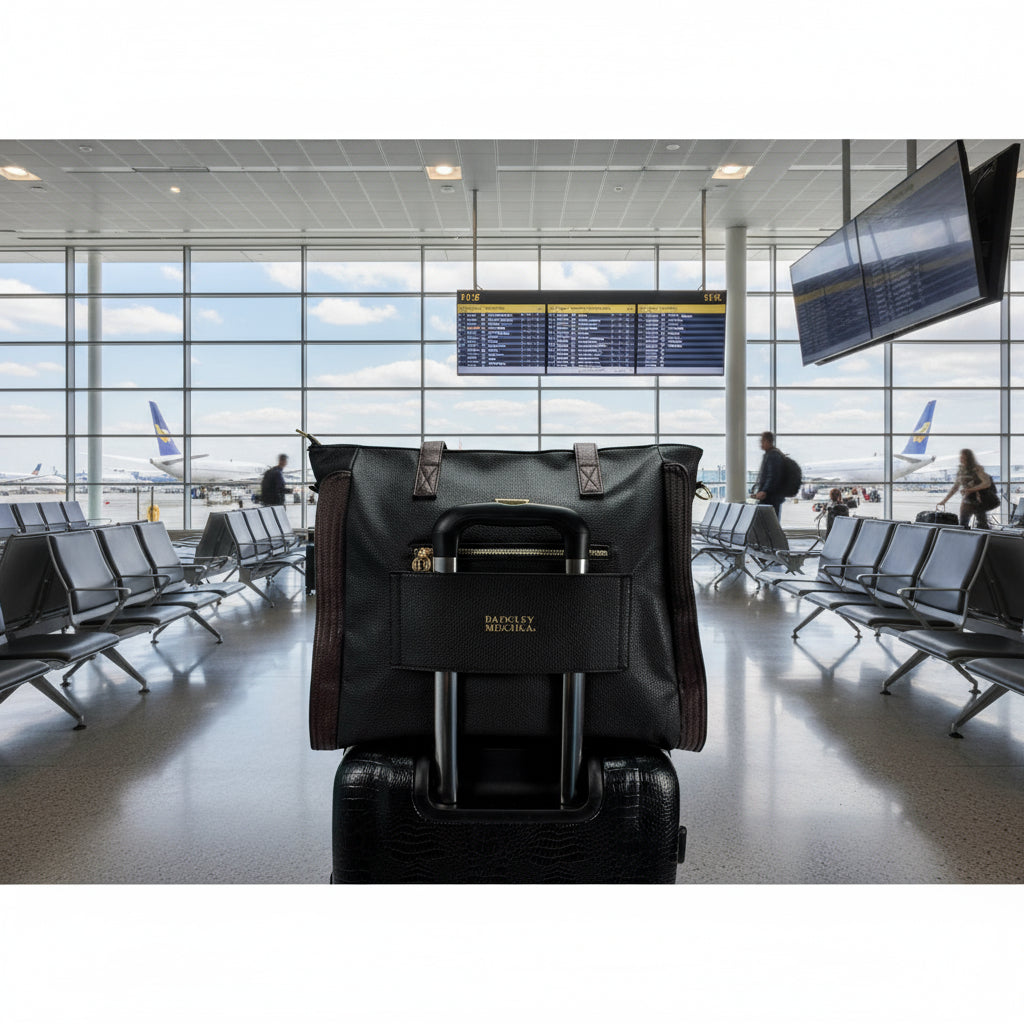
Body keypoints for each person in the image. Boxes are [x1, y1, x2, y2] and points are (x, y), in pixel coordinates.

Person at [938, 448, 993, 528]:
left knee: (982, 524)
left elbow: (987, 483)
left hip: (978, 500)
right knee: (963, 524)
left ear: (968, 458)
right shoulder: (961, 469)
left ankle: (982, 539)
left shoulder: (977, 469)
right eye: (960, 456)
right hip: (967, 500)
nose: (960, 458)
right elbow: (955, 487)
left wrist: (970, 489)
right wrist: (944, 501)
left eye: (963, 456)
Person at [752, 430, 785, 521]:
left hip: (770, 497)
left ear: (767, 441)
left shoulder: (773, 455)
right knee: (769, 523)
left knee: (769, 523)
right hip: (772, 496)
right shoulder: (772, 454)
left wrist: (764, 491)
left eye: (762, 441)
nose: (760, 444)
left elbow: (772, 476)